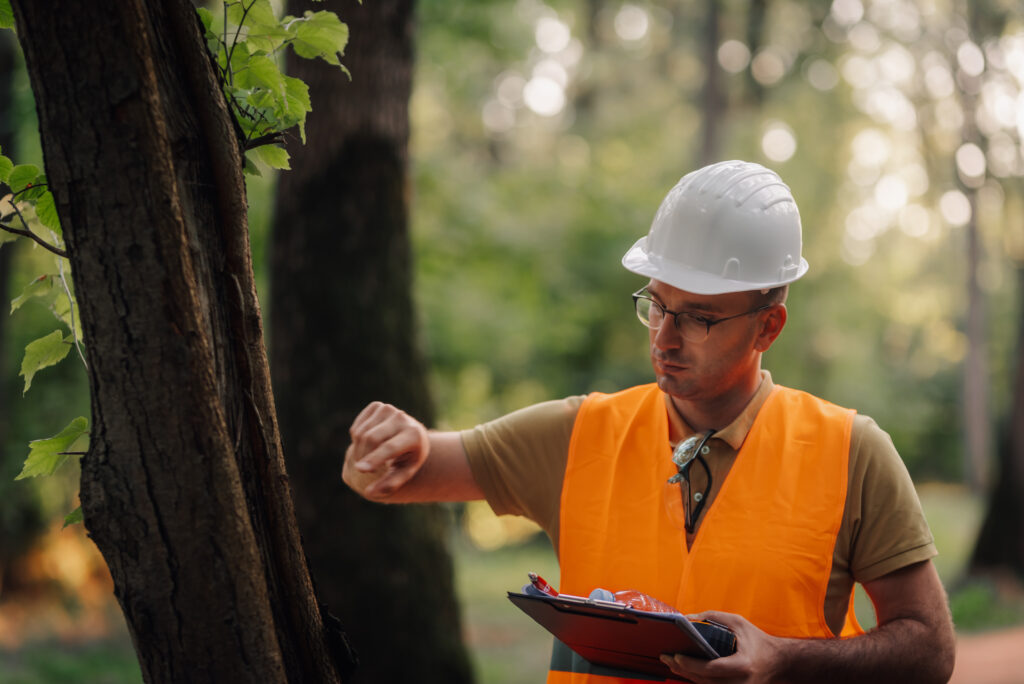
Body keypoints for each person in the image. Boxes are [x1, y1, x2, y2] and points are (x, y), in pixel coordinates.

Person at [342, 160, 956, 683]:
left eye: (698, 317)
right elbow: (416, 469)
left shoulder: (852, 452)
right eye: (656, 304)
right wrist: (397, 448)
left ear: (768, 326)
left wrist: (784, 660)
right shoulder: (577, 435)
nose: (664, 337)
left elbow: (930, 649)